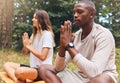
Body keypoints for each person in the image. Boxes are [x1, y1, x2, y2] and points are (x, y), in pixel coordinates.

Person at [36, 1, 118, 83]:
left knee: (101, 81)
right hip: (80, 77)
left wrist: (69, 46)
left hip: (101, 76)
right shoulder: (76, 36)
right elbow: (58, 68)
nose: (75, 15)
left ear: (91, 15)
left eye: (80, 12)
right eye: (74, 12)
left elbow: (94, 73)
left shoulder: (103, 35)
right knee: (44, 68)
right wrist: (63, 45)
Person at [4, 10, 55, 83]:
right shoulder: (34, 35)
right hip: (33, 68)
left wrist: (29, 46)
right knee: (7, 65)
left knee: (19, 72)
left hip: (43, 71)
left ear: (41, 20)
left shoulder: (47, 35)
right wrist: (25, 45)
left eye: (35, 18)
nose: (32, 19)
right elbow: (24, 53)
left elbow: (43, 57)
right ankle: (18, 81)